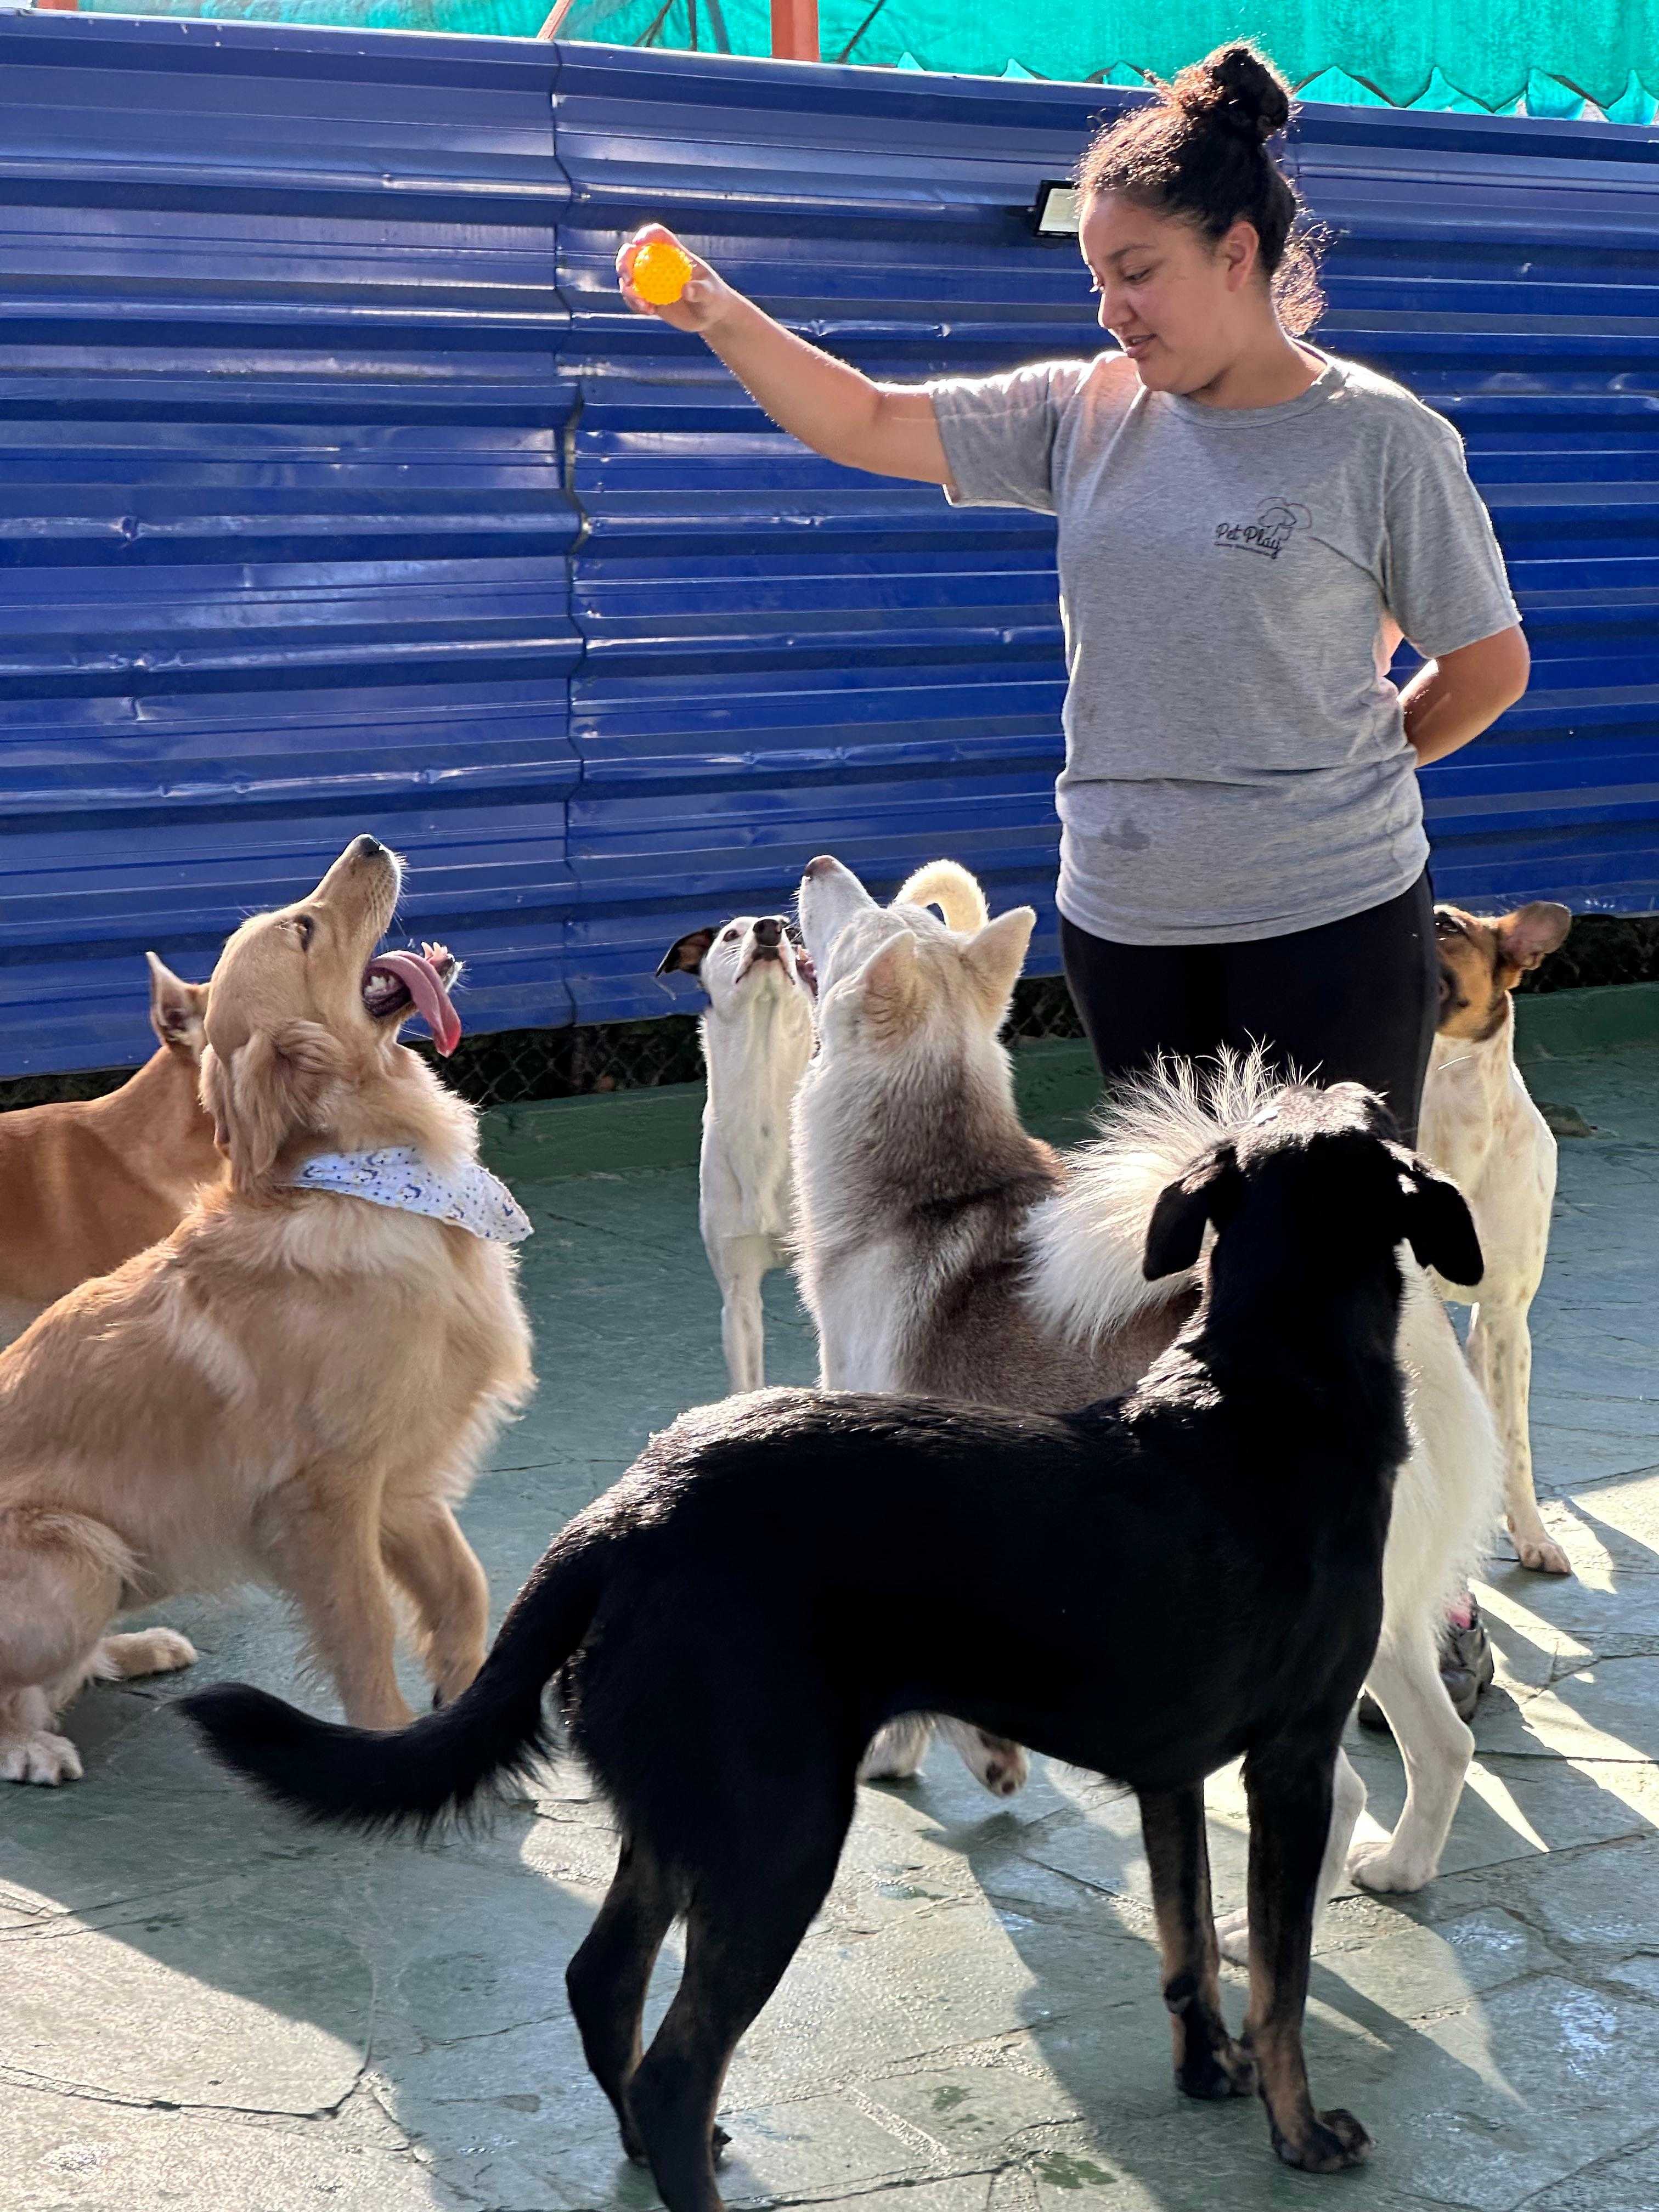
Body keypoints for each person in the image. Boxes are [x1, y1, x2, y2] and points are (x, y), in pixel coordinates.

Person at [616, 42, 1526, 1720]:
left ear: (1243, 258)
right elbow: (872, 421)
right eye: (1096, 275)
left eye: (1141, 274)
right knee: (1175, 1285)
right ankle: (1225, 1595)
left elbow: (1485, 666)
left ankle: (1420, 1601)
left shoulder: (1380, 442)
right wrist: (720, 314)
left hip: (1330, 930)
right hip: (1133, 932)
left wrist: (1359, 758)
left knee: (1336, 1281)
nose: (1113, 309)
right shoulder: (1088, 416)